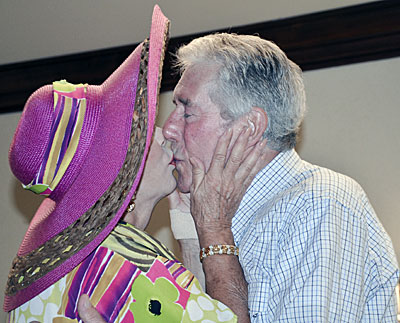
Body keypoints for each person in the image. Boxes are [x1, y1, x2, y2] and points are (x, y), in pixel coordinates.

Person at [4, 8, 264, 322]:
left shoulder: (57, 268)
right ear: (123, 164)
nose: (166, 133)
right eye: (146, 128)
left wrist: (187, 221)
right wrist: (216, 230)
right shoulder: (134, 265)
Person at [160, 33, 400, 322]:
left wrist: (212, 229)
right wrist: (191, 226)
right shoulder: (221, 211)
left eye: (187, 112)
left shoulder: (320, 203)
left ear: (249, 128)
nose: (168, 129)